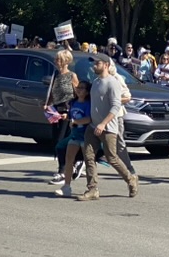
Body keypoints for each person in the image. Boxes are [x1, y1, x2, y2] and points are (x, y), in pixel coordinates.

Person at [77, 55, 138, 200]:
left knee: (112, 158)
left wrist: (103, 123)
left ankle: (131, 179)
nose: (94, 66)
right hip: (93, 126)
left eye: (97, 63)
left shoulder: (112, 82)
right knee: (89, 156)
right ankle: (92, 189)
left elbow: (116, 106)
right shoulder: (96, 82)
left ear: (105, 65)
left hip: (108, 127)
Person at [45, 49, 78, 185]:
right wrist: (47, 105)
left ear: (65, 61)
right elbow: (52, 94)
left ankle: (63, 171)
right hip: (56, 112)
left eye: (57, 59)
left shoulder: (72, 76)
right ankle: (68, 166)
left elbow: (77, 95)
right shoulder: (56, 76)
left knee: (62, 142)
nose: (55, 62)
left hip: (67, 113)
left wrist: (70, 113)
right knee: (56, 141)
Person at [53, 80, 91, 197]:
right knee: (69, 160)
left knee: (89, 162)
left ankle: (91, 187)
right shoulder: (74, 102)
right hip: (74, 135)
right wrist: (66, 116)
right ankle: (66, 186)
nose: (79, 90)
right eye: (78, 87)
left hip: (85, 136)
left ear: (87, 91)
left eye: (82, 88)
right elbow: (71, 116)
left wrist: (76, 121)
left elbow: (89, 119)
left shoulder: (88, 104)